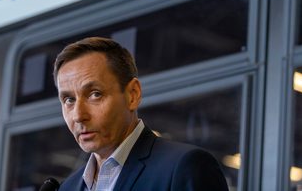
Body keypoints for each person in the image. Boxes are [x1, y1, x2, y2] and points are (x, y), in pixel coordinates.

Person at [53, 36, 229, 191]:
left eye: (95, 94)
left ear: (132, 95)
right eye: (69, 100)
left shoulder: (186, 167)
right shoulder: (67, 187)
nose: (78, 115)